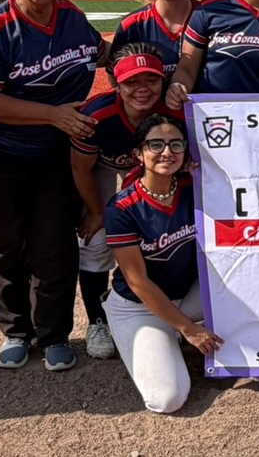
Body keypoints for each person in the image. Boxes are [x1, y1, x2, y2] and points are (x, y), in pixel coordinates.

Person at [0, 0, 101, 372]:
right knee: (2, 245)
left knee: (54, 243)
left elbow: (104, 53)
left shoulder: (72, 17)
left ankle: (54, 333)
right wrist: (53, 115)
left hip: (54, 154)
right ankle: (16, 331)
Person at [71, 43, 183, 359]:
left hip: (149, 167)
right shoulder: (97, 115)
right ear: (116, 84)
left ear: (163, 80)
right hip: (102, 165)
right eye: (131, 82)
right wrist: (98, 213)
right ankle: (97, 320)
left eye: (151, 79)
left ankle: (164, 309)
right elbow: (81, 169)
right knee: (95, 240)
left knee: (164, 232)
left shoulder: (174, 113)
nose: (142, 89)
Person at [104, 115, 222, 413]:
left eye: (176, 144)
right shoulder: (122, 208)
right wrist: (188, 328)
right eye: (155, 144)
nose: (167, 152)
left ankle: (172, 333)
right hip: (139, 306)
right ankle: (158, 334)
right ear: (139, 154)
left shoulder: (192, 187)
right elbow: (138, 282)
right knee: (167, 399)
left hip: (188, 296)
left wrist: (207, 175)